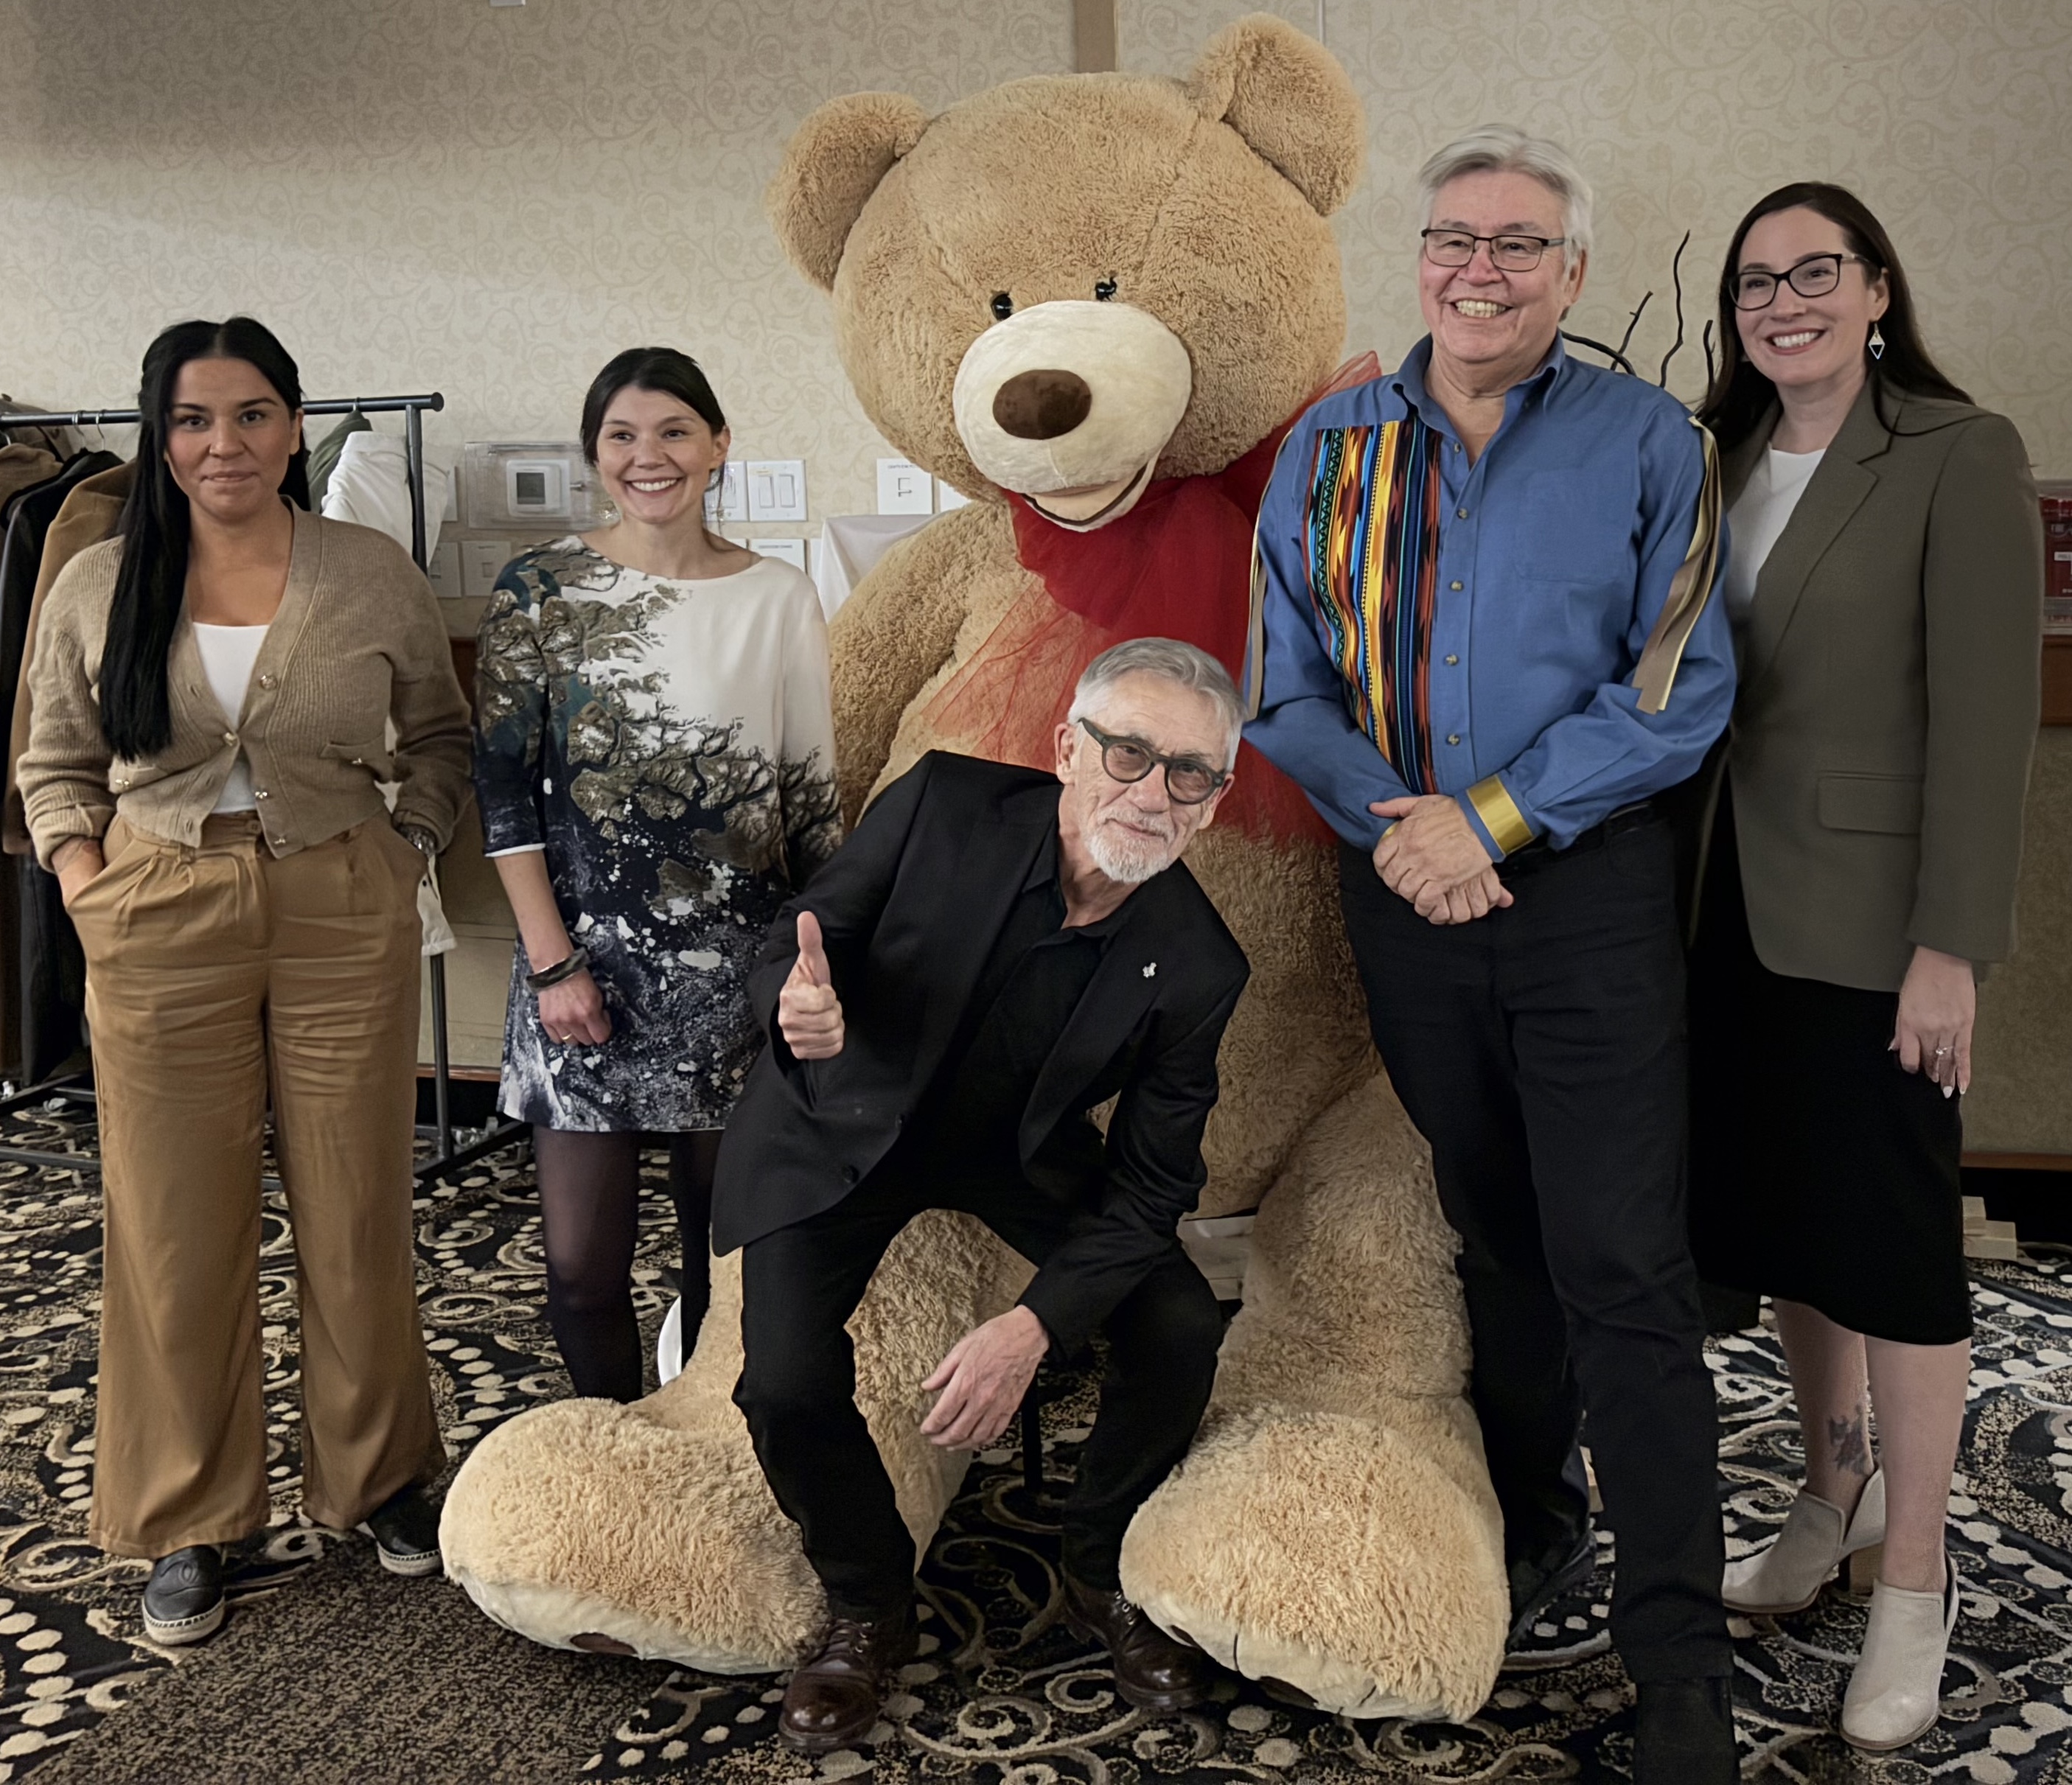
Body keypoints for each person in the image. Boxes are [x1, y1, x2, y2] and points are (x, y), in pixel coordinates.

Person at [1244, 127, 1740, 1778]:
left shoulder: (1644, 437)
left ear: (1572, 273)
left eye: (1519, 245)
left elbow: (1677, 683)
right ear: (1421, 260)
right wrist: (1405, 824)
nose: (1480, 267)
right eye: (1455, 238)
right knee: (1497, 1231)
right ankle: (1536, 1524)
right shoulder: (1325, 447)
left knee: (1620, 1266)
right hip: (1399, 892)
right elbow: (1280, 681)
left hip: (1581, 897)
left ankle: (1678, 1665)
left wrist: (1494, 821)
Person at [18, 316, 472, 1644]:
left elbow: (440, 732)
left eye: (255, 414)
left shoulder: (367, 568)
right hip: (158, 910)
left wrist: (409, 847)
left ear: (294, 425)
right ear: (159, 437)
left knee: (356, 1203)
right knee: (173, 1226)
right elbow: (48, 761)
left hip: (341, 901)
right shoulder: (96, 580)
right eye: (195, 419)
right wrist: (86, 879)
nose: (227, 444)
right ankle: (192, 1518)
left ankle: (378, 1477)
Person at [716, 639, 1250, 1753]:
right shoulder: (944, 801)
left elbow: (1155, 1184)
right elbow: (802, 939)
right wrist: (796, 1008)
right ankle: (868, 1601)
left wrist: (1035, 1323)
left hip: (1015, 1150)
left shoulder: (1199, 961)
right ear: (1068, 747)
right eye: (1129, 752)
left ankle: (1100, 1566)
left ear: (1216, 798)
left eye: (1190, 772)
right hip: (844, 1107)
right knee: (782, 1380)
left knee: (1181, 1320)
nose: (1153, 791)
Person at [1686, 184, 2041, 1753]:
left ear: (1877, 286)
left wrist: (1946, 949)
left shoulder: (1955, 453)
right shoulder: (1714, 458)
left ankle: (1914, 1574)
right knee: (1783, 1235)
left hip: (1871, 924)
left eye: (1813, 272)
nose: (1782, 300)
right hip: (1717, 914)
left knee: (1892, 1247)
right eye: (1755, 281)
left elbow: (1984, 725)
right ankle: (1823, 1499)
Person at [473, 347, 839, 1402]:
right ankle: (611, 1443)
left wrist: (819, 966)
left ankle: (703, 1455)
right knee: (582, 1268)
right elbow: (504, 796)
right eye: (623, 436)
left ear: (719, 445)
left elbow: (812, 801)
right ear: (596, 456)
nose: (650, 457)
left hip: (738, 976)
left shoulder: (778, 596)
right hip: (579, 968)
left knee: (720, 1263)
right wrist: (552, 967)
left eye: (675, 431)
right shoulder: (540, 589)